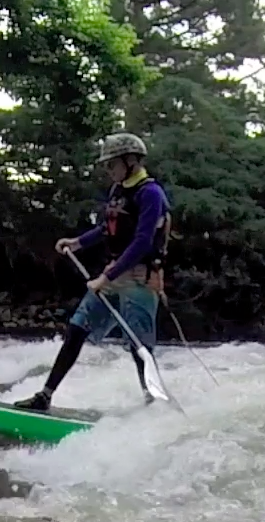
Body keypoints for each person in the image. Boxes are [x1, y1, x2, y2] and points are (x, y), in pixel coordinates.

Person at [13, 132, 171, 411]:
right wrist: (77, 242)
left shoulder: (150, 193)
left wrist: (104, 278)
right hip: (113, 273)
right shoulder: (118, 191)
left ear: (131, 160)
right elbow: (107, 229)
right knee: (76, 329)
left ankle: (156, 407)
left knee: (139, 347)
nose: (108, 170)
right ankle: (45, 395)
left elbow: (142, 241)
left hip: (140, 278)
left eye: (112, 164)